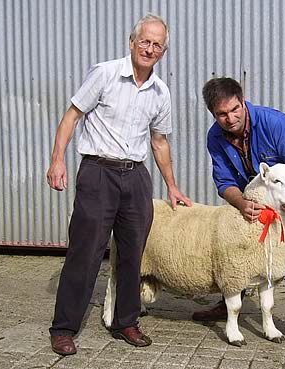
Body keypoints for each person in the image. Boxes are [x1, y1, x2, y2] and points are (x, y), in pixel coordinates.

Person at [46, 13, 191, 356]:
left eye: (157, 44)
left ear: (163, 52)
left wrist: (171, 185)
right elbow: (72, 116)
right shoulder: (105, 73)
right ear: (132, 42)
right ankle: (64, 327)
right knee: (86, 252)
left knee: (132, 254)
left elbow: (159, 142)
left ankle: (126, 321)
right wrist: (56, 160)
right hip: (98, 172)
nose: (150, 48)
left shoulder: (160, 92)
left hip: (137, 177)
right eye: (145, 41)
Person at [193, 77, 285, 354]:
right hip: (253, 198)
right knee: (240, 248)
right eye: (222, 114)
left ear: (243, 101)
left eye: (235, 109)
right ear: (213, 113)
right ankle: (229, 303)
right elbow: (224, 182)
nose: (230, 118)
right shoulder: (215, 136)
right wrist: (242, 203)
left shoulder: (276, 123)